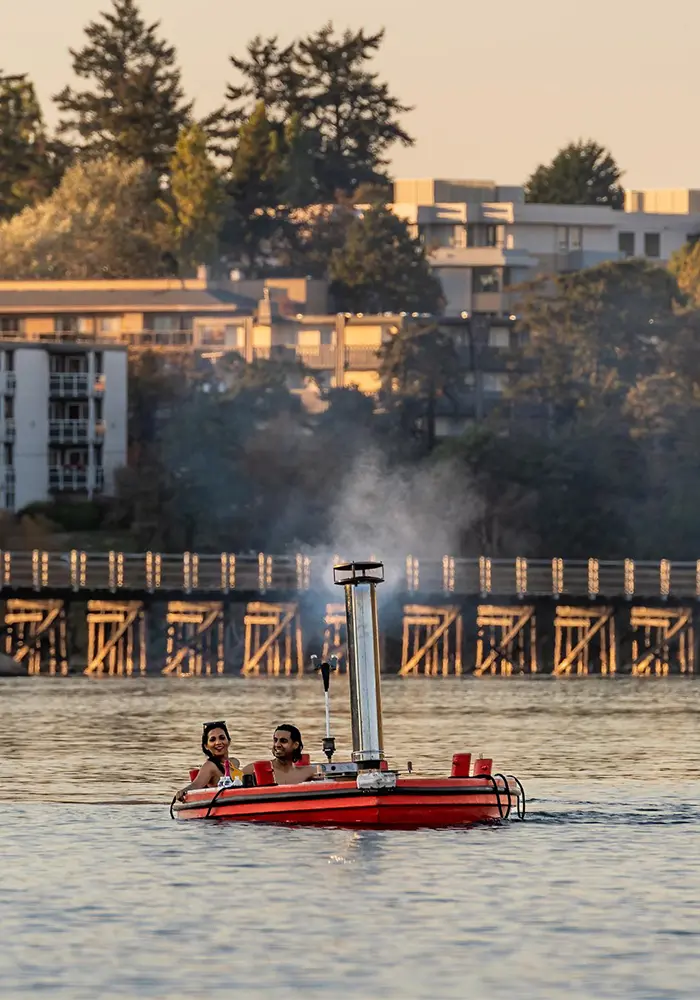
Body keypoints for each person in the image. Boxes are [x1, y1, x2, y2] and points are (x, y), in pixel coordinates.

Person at [175, 721, 242, 801]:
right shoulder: (209, 766)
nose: (218, 742)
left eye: (222, 738)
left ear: (229, 741)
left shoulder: (234, 762)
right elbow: (196, 785)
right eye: (212, 740)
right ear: (206, 746)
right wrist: (183, 791)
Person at [243, 724, 317, 785]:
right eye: (275, 740)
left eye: (283, 741)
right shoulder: (252, 770)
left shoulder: (308, 773)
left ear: (295, 745)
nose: (277, 744)